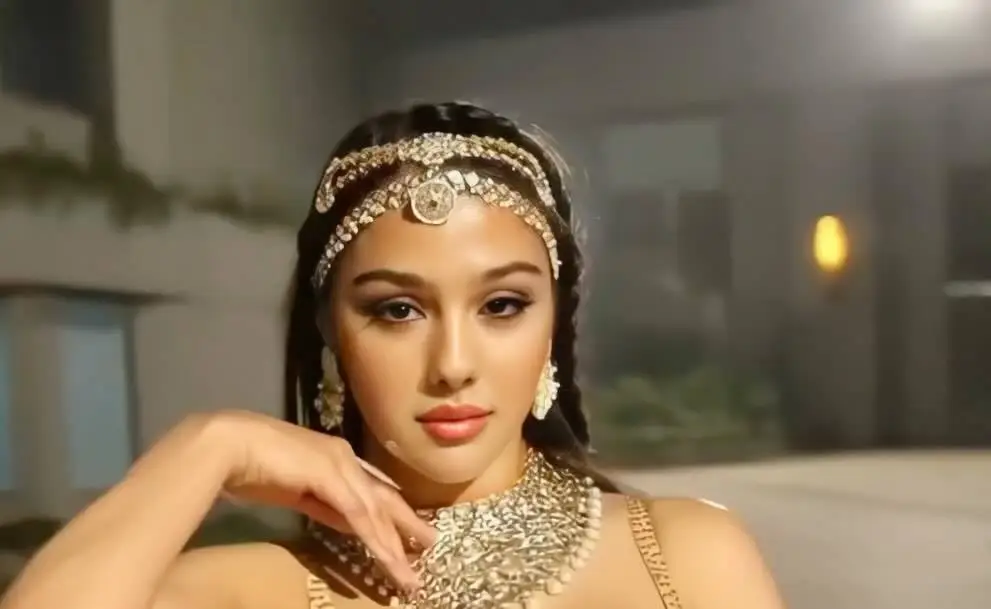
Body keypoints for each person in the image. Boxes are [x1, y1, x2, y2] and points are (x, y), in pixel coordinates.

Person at [0, 102, 785, 609]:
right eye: (397, 309)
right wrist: (209, 445)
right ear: (330, 331)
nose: (452, 363)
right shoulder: (247, 590)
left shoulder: (684, 555)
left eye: (501, 305)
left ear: (554, 322)